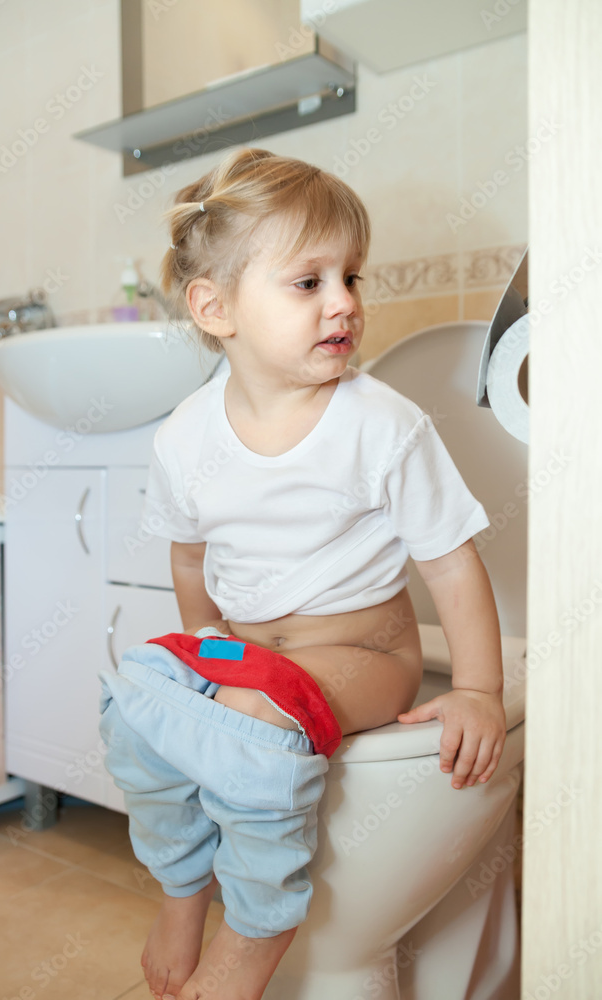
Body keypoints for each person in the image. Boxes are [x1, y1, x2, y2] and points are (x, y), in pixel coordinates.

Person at [99, 146, 507, 1000]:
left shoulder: (379, 425)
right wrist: (203, 641)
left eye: (351, 277)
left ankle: (258, 925)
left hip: (364, 651)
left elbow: (451, 563)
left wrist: (474, 690)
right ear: (216, 308)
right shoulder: (184, 436)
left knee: (253, 723)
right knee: (136, 697)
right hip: (247, 652)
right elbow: (189, 554)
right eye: (308, 282)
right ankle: (183, 890)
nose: (345, 303)